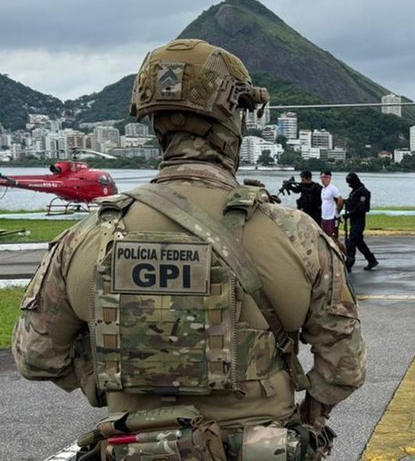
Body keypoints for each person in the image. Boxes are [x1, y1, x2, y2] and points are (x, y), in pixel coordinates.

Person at [12, 39, 365, 460]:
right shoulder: (294, 235)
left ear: (155, 125)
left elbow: (36, 357)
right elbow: (344, 365)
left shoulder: (86, 236)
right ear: (234, 121)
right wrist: (310, 415)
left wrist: (105, 378)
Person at [344, 172, 378, 271]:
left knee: (352, 241)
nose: (349, 185)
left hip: (359, 220)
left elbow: (362, 208)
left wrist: (349, 214)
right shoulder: (354, 191)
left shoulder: (364, 192)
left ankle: (349, 262)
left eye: (350, 183)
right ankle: (371, 260)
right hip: (353, 220)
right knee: (359, 241)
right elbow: (352, 202)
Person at [319, 171, 344, 242]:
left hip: (332, 217)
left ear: (329, 178)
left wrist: (337, 212)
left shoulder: (333, 188)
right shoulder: (323, 189)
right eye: (321, 177)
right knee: (325, 237)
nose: (323, 179)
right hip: (324, 217)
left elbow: (340, 200)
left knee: (333, 238)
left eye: (324, 177)